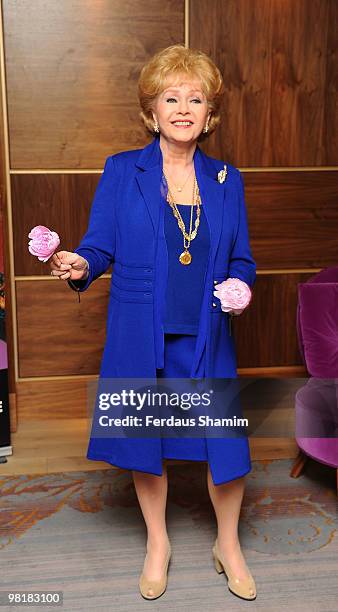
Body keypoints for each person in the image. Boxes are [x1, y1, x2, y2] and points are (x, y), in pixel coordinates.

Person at [50, 44, 257, 601]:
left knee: (224, 445)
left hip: (207, 333)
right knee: (146, 440)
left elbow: (242, 258)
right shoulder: (123, 170)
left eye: (196, 99)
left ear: (209, 114)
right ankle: (158, 543)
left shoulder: (225, 179)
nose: (183, 108)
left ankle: (228, 544)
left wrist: (241, 285)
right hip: (142, 333)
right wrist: (79, 264)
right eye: (172, 97)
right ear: (153, 111)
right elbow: (98, 246)